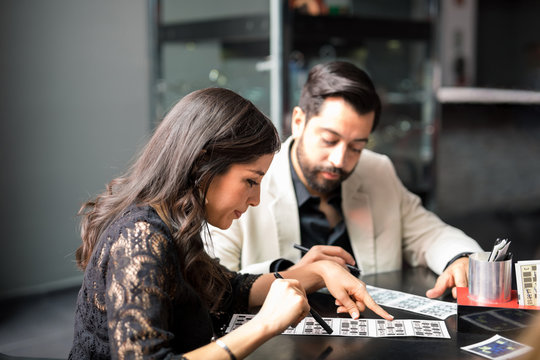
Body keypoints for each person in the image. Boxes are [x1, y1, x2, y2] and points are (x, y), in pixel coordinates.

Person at [68, 87, 392, 360]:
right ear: (203, 163)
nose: (256, 200)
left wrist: (318, 272)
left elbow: (229, 289)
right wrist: (265, 324)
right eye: (251, 181)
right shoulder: (141, 236)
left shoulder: (173, 225)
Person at [208, 61, 484, 299]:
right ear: (298, 121)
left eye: (356, 147)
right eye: (329, 140)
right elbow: (212, 282)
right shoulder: (250, 180)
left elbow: (430, 234)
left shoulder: (377, 170)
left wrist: (458, 259)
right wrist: (295, 274)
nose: (340, 160)